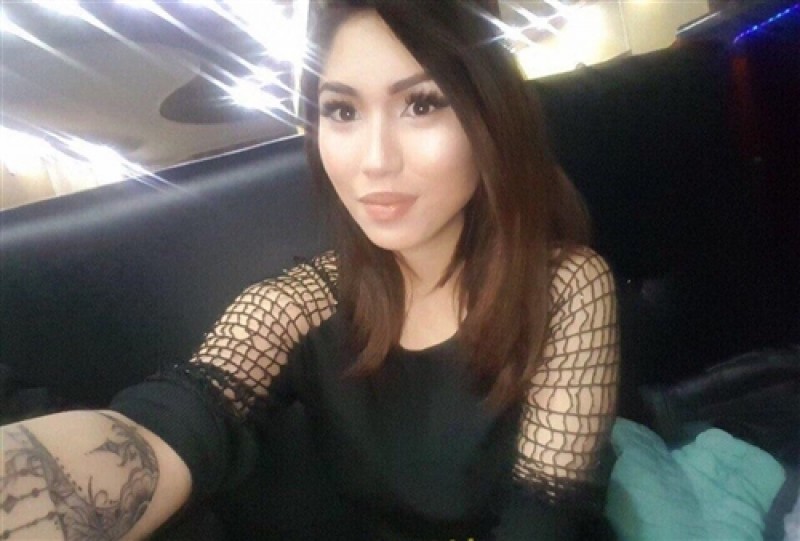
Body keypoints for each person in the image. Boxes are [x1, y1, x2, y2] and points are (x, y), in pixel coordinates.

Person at [0, 1, 619, 539]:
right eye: (343, 111)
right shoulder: (301, 304)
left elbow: (545, 519)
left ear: (491, 117)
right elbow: (167, 428)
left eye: (422, 104)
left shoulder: (566, 285)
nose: (375, 160)